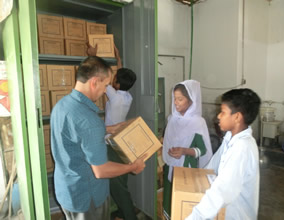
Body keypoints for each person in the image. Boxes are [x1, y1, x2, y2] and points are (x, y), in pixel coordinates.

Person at [50, 56, 146, 220]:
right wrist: (132, 167)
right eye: (106, 85)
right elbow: (101, 171)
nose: (105, 91)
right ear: (94, 82)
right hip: (88, 198)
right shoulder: (89, 120)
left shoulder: (62, 105)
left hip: (66, 189)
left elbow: (76, 133)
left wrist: (108, 128)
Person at [185, 88, 261, 220]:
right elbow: (211, 167)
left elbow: (222, 192)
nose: (218, 116)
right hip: (226, 213)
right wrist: (192, 183)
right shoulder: (230, 138)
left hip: (237, 215)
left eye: (223, 112)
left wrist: (193, 217)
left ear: (237, 117)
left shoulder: (242, 148)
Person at [162, 80, 213, 220]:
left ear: (191, 101)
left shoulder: (198, 122)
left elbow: (202, 150)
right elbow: (168, 141)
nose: (176, 102)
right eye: (174, 98)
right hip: (170, 167)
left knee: (183, 206)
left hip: (186, 170)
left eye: (180, 99)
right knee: (170, 201)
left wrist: (184, 151)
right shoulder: (172, 119)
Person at [105, 45, 138, 220]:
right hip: (123, 141)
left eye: (115, 78)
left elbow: (100, 79)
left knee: (117, 185)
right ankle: (122, 211)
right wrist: (118, 59)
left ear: (117, 83)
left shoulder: (114, 96)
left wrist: (94, 57)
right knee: (122, 181)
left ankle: (129, 216)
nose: (112, 80)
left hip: (111, 142)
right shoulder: (126, 96)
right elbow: (120, 79)